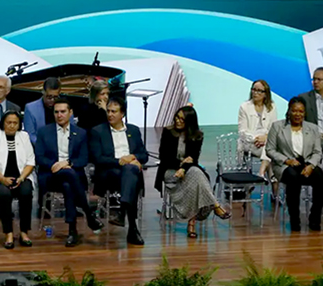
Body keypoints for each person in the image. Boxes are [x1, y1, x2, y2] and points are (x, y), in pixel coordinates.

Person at [35, 98, 103, 246]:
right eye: (56, 112)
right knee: (69, 176)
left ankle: (73, 230)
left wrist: (67, 163)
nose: (59, 115)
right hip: (51, 175)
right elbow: (39, 157)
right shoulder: (44, 132)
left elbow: (83, 158)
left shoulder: (81, 133)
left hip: (72, 176)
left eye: (63, 111)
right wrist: (54, 165)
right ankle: (88, 214)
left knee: (68, 184)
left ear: (70, 113)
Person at [155, 106, 230, 238]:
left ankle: (193, 221)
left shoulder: (197, 136)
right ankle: (214, 206)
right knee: (197, 176)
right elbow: (164, 157)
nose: (178, 121)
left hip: (188, 171)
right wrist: (182, 164)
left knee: (195, 175)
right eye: (177, 117)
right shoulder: (168, 132)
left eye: (182, 119)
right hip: (170, 171)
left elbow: (193, 158)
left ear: (189, 122)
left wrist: (184, 168)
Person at [89, 97, 148, 245]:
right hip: (109, 173)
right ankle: (132, 228)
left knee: (130, 173)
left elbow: (144, 155)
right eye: (108, 111)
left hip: (129, 173)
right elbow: (97, 158)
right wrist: (121, 161)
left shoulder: (133, 130)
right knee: (131, 173)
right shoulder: (98, 131)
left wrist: (133, 157)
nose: (110, 114)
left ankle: (123, 212)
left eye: (114, 111)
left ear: (122, 114)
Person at [266, 97, 323, 232]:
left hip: (306, 163)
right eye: (294, 111)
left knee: (321, 178)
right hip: (285, 165)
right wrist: (286, 160)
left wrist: (311, 165)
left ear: (305, 113)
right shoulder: (277, 127)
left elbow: (317, 152)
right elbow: (270, 150)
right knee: (293, 178)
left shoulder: (312, 128)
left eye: (301, 111)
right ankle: (294, 219)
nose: (297, 114)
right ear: (289, 111)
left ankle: (315, 217)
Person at [0, 110, 35, 249]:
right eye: (9, 122)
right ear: (3, 123)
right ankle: (9, 233)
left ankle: (24, 232)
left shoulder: (24, 136)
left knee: (26, 192)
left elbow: (30, 161)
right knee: (4, 194)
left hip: (21, 177)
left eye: (15, 123)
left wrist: (22, 178)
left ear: (19, 125)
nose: (12, 126)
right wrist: (2, 179)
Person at [237, 79, 278, 195]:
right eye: (254, 90)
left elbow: (274, 128)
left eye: (259, 91)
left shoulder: (271, 107)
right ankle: (273, 188)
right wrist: (256, 138)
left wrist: (266, 138)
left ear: (266, 94)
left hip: (265, 142)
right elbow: (242, 132)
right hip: (249, 143)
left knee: (270, 149)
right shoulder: (244, 107)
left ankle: (261, 173)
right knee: (270, 149)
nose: (255, 93)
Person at [24, 77, 61, 146]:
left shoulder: (66, 108)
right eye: (49, 97)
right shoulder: (30, 108)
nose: (52, 100)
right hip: (39, 148)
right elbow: (30, 135)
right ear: (43, 92)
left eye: (55, 97)